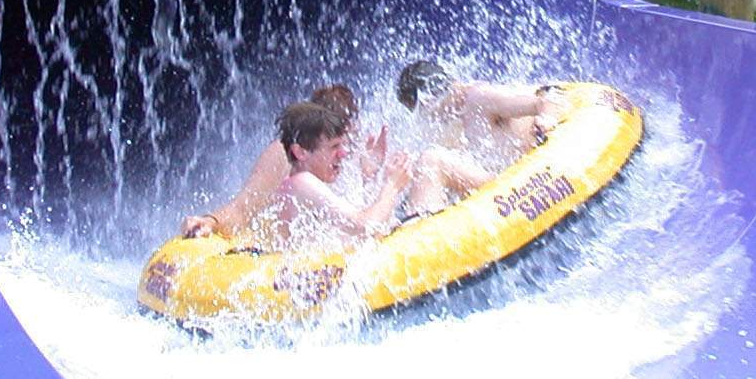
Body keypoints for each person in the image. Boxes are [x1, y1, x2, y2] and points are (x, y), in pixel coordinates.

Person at [179, 84, 364, 239]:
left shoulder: (348, 156)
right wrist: (211, 221)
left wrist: (369, 175)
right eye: (336, 142)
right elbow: (242, 209)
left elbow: (351, 220)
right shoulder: (284, 154)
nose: (344, 151)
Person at [393, 60, 555, 216]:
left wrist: (545, 121)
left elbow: (545, 101)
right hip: (501, 183)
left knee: (432, 160)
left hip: (519, 185)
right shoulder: (454, 119)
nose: (426, 119)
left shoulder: (479, 97)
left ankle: (424, 230)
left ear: (427, 100)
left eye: (420, 111)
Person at [250, 100, 412, 249]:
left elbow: (356, 230)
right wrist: (392, 185)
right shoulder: (301, 182)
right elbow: (367, 227)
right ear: (300, 152)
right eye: (334, 147)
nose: (343, 153)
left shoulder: (301, 187)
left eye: (342, 145)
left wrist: (369, 176)